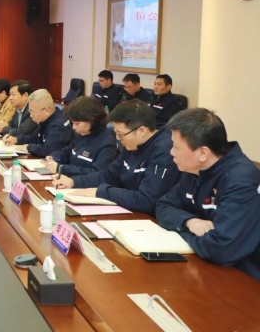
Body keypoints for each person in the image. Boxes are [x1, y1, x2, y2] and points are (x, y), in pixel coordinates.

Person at [156, 108, 260, 280]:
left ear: (203, 153)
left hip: (245, 277)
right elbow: (163, 205)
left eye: (176, 146)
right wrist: (189, 222)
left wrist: (179, 233)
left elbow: (222, 249)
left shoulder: (241, 181)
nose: (171, 152)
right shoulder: (195, 170)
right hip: (207, 265)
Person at [53, 99, 180, 215]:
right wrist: (74, 182)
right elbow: (110, 175)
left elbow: (146, 200)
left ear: (142, 131)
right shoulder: (132, 143)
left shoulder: (164, 151)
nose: (118, 139)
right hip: (128, 210)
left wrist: (100, 192)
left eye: (121, 134)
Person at [43, 97, 118, 178]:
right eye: (72, 123)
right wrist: (54, 157)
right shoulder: (81, 134)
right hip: (69, 180)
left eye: (77, 123)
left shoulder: (107, 145)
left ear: (92, 120)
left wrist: (61, 168)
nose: (73, 127)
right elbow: (68, 151)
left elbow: (97, 173)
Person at [6, 89, 72, 157]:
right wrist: (16, 139)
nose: (31, 115)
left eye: (32, 111)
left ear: (47, 110)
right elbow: (34, 138)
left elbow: (49, 150)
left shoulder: (59, 125)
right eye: (30, 111)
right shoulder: (46, 120)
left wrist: (28, 147)